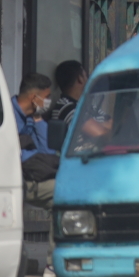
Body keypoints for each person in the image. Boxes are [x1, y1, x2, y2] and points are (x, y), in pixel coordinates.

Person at [14, 74, 59, 207]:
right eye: (47, 97)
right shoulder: (5, 115)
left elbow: (48, 152)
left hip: (36, 175)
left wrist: (38, 119)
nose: (49, 101)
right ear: (34, 98)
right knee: (65, 190)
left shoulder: (31, 116)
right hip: (20, 179)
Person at [46, 60, 87, 128]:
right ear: (80, 79)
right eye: (86, 76)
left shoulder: (87, 104)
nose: (88, 79)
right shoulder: (66, 107)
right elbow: (99, 132)